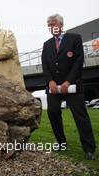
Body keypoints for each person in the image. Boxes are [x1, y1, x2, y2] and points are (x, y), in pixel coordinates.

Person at [41, 14, 96, 160]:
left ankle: (89, 149)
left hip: (72, 86)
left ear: (61, 24)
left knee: (80, 116)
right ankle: (61, 143)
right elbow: (45, 65)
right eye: (49, 25)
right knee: (53, 113)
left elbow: (79, 61)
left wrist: (68, 81)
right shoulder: (46, 44)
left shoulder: (75, 38)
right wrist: (50, 81)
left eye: (53, 24)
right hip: (53, 87)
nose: (51, 27)